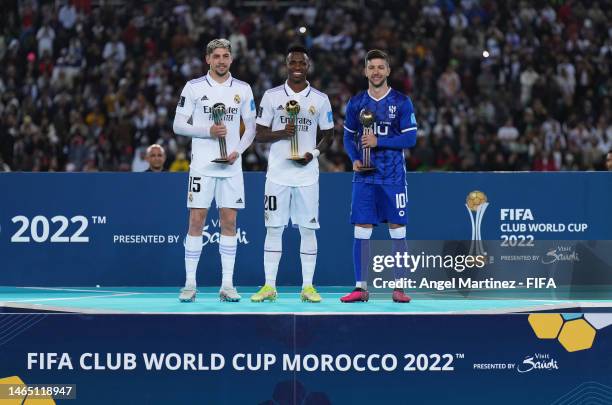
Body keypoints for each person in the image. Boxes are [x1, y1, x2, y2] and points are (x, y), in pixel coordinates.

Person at [172, 38, 256, 302]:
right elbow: (178, 125)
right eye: (216, 56)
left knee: (229, 222)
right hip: (202, 166)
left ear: (231, 59)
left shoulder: (242, 89)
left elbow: (251, 127)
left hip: (231, 166)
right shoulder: (194, 87)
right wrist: (207, 131)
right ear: (207, 59)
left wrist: (238, 152)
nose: (221, 60)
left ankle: (228, 285)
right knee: (196, 221)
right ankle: (189, 284)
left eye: (225, 56)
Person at [250, 45, 335, 303]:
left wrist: (314, 154)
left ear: (307, 66)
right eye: (293, 63)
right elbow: (259, 134)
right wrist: (281, 133)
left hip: (307, 175)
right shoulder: (272, 96)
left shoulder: (319, 99)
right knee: (273, 229)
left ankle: (307, 287)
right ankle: (269, 286)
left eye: (302, 63)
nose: (297, 67)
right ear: (286, 65)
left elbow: (329, 135)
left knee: (308, 230)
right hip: (277, 175)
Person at [340, 49, 417, 303]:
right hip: (364, 177)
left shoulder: (401, 102)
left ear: (388, 71)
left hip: (393, 177)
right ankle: (361, 288)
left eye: (380, 67)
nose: (376, 72)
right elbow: (348, 138)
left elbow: (410, 138)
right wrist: (354, 159)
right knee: (362, 230)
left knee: (397, 230)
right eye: (371, 67)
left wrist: (378, 141)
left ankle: (400, 287)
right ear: (365, 71)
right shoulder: (356, 103)